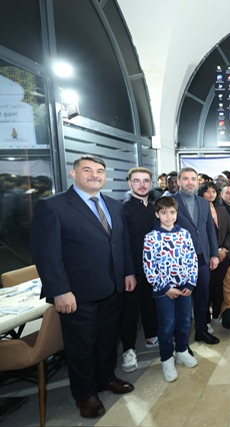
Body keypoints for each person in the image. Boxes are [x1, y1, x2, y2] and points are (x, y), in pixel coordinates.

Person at [31, 155, 136, 418]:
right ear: (73, 173)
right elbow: (47, 254)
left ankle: (106, 378)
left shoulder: (114, 205)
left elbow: (122, 243)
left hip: (113, 286)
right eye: (87, 170)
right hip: (77, 293)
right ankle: (85, 395)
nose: (94, 175)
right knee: (81, 346)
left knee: (107, 339)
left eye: (100, 171)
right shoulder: (53, 206)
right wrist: (60, 290)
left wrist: (128, 272)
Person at [143, 197, 199, 383]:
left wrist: (191, 283)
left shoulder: (184, 234)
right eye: (164, 213)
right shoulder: (151, 238)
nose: (169, 216)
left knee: (184, 321)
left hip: (184, 288)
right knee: (167, 325)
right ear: (157, 214)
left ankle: (182, 350)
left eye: (172, 212)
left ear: (177, 213)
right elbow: (149, 267)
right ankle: (167, 359)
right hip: (164, 290)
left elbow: (192, 260)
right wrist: (166, 288)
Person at [173, 167, 220, 345]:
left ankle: (201, 330)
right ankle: (181, 340)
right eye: (185, 179)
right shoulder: (170, 202)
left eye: (193, 179)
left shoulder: (203, 203)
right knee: (182, 301)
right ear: (179, 181)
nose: (190, 182)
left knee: (202, 297)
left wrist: (214, 254)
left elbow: (210, 231)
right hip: (180, 261)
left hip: (202, 258)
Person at [120, 167, 159, 374]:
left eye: (146, 181)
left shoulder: (155, 208)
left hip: (153, 268)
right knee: (129, 311)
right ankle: (128, 349)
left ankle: (152, 336)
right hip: (132, 269)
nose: (142, 185)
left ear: (151, 184)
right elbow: (123, 243)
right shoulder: (123, 210)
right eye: (137, 181)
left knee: (150, 304)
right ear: (130, 183)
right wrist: (128, 272)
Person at [199, 182, 230, 323]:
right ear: (202, 193)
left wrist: (224, 249)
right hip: (207, 256)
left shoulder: (222, 210)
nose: (211, 194)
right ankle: (205, 320)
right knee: (207, 287)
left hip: (223, 255)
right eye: (208, 191)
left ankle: (216, 314)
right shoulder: (198, 211)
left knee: (219, 286)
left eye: (213, 191)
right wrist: (214, 252)